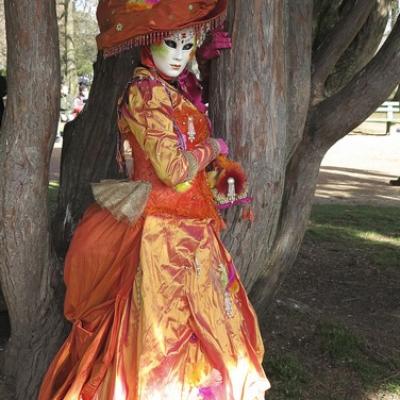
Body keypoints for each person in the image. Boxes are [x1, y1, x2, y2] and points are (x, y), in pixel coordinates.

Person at [39, 1, 270, 399]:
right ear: (149, 44)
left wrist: (219, 180)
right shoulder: (144, 93)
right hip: (162, 238)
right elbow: (174, 170)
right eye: (171, 44)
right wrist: (212, 147)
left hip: (193, 232)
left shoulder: (169, 91)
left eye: (187, 44)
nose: (180, 55)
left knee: (209, 331)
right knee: (162, 337)